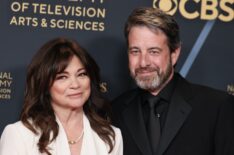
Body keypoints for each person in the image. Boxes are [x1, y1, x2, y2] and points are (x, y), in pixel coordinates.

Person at [111, 7, 234, 155]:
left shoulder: (217, 107)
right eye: (135, 51)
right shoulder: (114, 111)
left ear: (174, 54)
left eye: (153, 51)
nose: (143, 62)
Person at [0, 37, 123, 155]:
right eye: (62, 77)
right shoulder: (19, 135)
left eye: (81, 74)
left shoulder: (110, 137)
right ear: (45, 84)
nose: (75, 84)